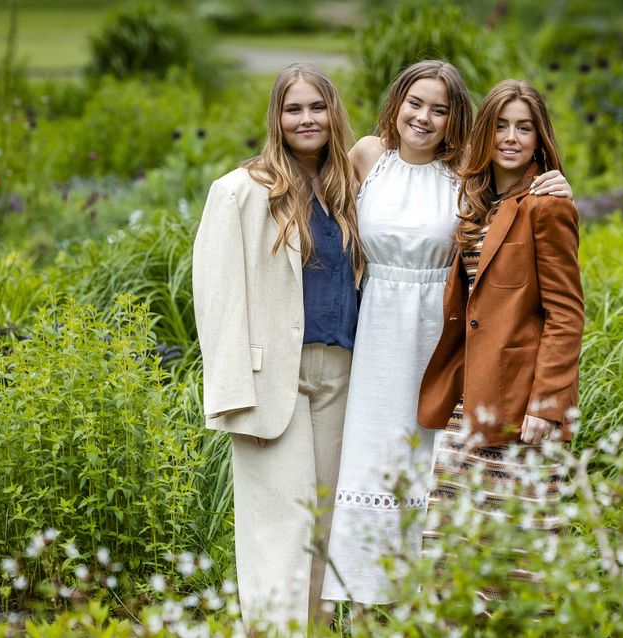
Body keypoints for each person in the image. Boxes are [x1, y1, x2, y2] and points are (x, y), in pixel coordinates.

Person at [321, 62, 573, 605]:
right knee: (376, 455)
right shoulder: (367, 156)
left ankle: (435, 596)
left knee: (438, 467)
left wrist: (555, 181)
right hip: (378, 332)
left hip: (446, 336)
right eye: (416, 103)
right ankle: (366, 594)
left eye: (440, 109)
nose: (424, 117)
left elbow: (537, 264)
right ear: (397, 103)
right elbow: (314, 194)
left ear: (457, 118)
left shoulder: (466, 173)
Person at [191, 63, 363, 630]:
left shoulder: (350, 188)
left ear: (333, 113)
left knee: (325, 521)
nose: (307, 119)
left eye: (318, 107)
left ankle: (315, 628)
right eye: (295, 109)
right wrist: (235, 396)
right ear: (277, 117)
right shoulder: (239, 191)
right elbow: (216, 302)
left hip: (342, 376)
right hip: (272, 382)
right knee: (276, 529)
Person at [417, 79, 585, 600]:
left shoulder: (547, 207)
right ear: (485, 132)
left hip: (519, 407)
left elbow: (566, 315)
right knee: (449, 552)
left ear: (540, 139)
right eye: (502, 125)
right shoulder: (476, 204)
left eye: (525, 127)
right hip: (466, 402)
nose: (511, 137)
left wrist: (548, 405)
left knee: (519, 559)